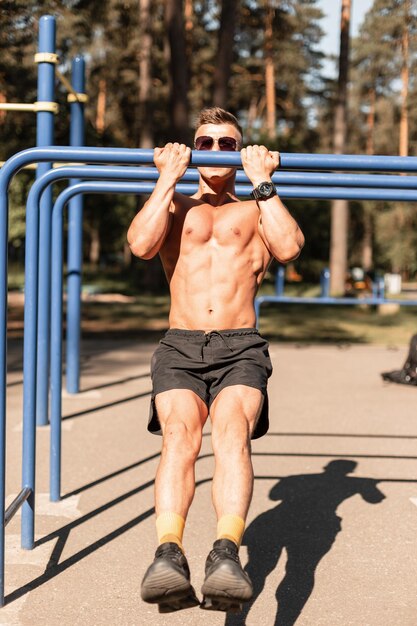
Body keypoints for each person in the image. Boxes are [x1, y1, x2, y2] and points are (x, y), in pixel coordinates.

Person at [127, 107, 305, 614]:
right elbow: (140, 245)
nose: (216, 151)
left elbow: (290, 248)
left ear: (240, 151)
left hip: (240, 344)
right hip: (180, 344)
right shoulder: (175, 206)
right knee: (180, 437)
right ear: (193, 147)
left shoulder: (255, 209)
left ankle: (225, 552)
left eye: (229, 144)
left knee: (231, 432)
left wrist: (262, 180)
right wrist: (166, 178)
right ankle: (168, 552)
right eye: (205, 142)